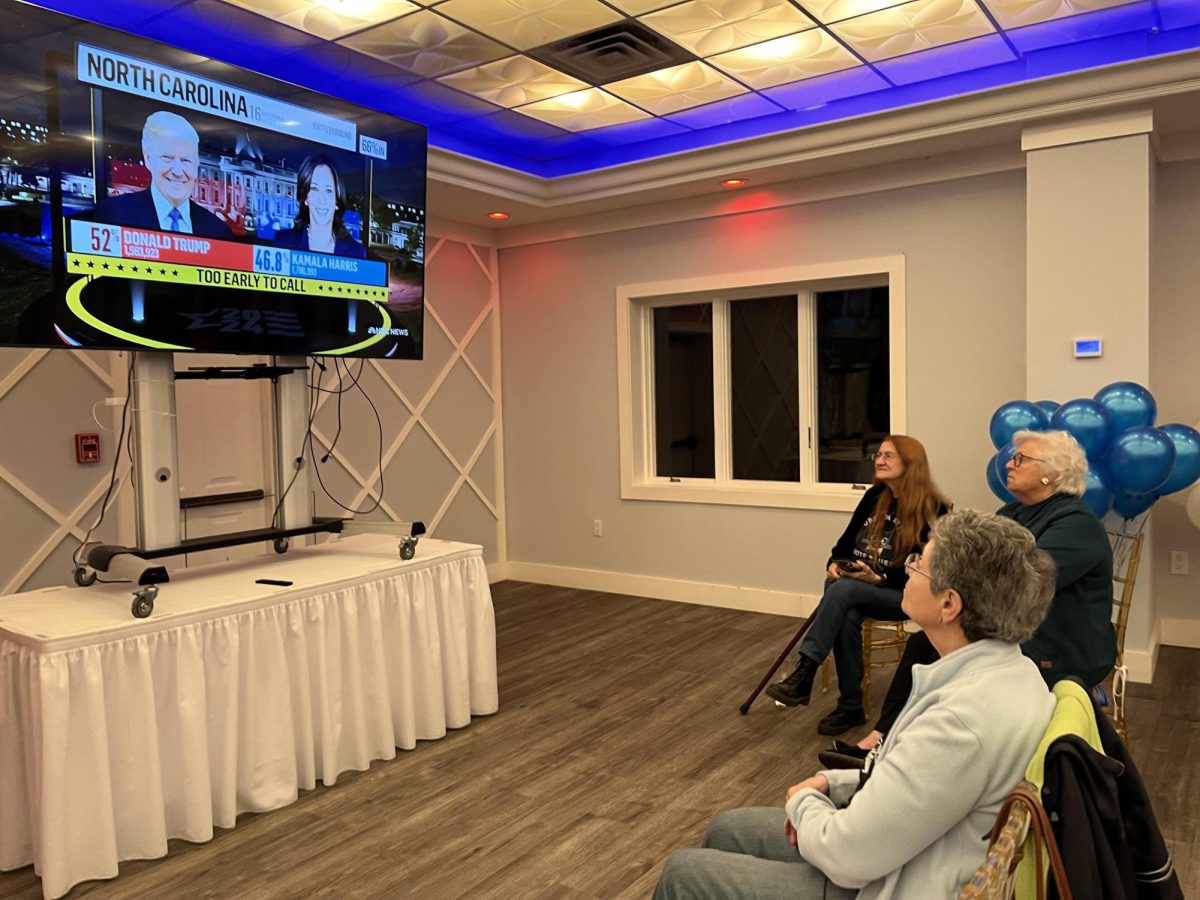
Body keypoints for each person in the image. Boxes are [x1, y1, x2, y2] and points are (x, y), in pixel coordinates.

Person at [653, 510, 1057, 900]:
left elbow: (848, 857)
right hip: (910, 854)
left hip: (896, 882)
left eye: (918, 563)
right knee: (727, 829)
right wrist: (833, 783)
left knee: (684, 874)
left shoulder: (961, 720)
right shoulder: (1013, 672)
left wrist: (803, 803)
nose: (910, 569)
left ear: (949, 604)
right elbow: (919, 780)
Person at [823, 428, 1115, 768]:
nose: (1010, 463)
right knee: (924, 645)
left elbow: (1018, 581)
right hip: (1017, 629)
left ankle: (925, 757)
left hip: (1058, 646)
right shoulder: (1014, 513)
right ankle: (885, 743)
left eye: (1021, 459)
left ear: (1053, 473)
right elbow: (972, 560)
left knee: (940, 651)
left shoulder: (1075, 523)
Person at [765, 435, 949, 736]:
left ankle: (807, 673)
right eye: (878, 454)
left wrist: (881, 578)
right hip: (858, 589)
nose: (879, 460)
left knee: (842, 592)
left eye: (889, 455)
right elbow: (843, 546)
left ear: (910, 463)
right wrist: (836, 564)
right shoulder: (874, 498)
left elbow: (933, 571)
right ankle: (849, 706)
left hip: (904, 594)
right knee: (842, 600)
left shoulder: (935, 509)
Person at [88, 111, 231, 238]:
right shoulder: (114, 213)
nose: (177, 171)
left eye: (186, 160)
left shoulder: (219, 230)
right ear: (148, 159)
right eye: (167, 158)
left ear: (196, 164)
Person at [273, 155, 366, 258]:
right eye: (315, 189)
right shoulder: (283, 242)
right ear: (306, 198)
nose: (322, 200)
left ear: (337, 200)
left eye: (328, 190)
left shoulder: (356, 252)